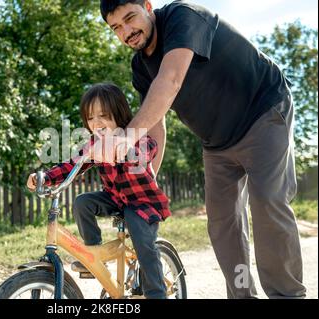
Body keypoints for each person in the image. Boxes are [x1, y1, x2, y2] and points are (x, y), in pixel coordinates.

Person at [99, 0, 306, 298]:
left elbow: (170, 81)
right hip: (217, 140)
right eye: (116, 27)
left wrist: (126, 137)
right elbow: (155, 120)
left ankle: (287, 296)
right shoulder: (140, 66)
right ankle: (242, 295)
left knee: (267, 203)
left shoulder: (184, 17)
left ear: (148, 6)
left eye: (130, 18)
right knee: (223, 224)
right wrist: (148, 177)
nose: (126, 31)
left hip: (263, 111)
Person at [27, 82, 170, 299]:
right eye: (91, 118)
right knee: (82, 201)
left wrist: (124, 148)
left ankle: (157, 294)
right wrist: (46, 177)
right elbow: (72, 164)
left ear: (119, 114)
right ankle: (93, 253)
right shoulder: (94, 143)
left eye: (103, 115)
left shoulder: (136, 136)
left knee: (144, 245)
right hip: (114, 198)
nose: (97, 122)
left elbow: (148, 150)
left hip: (142, 203)